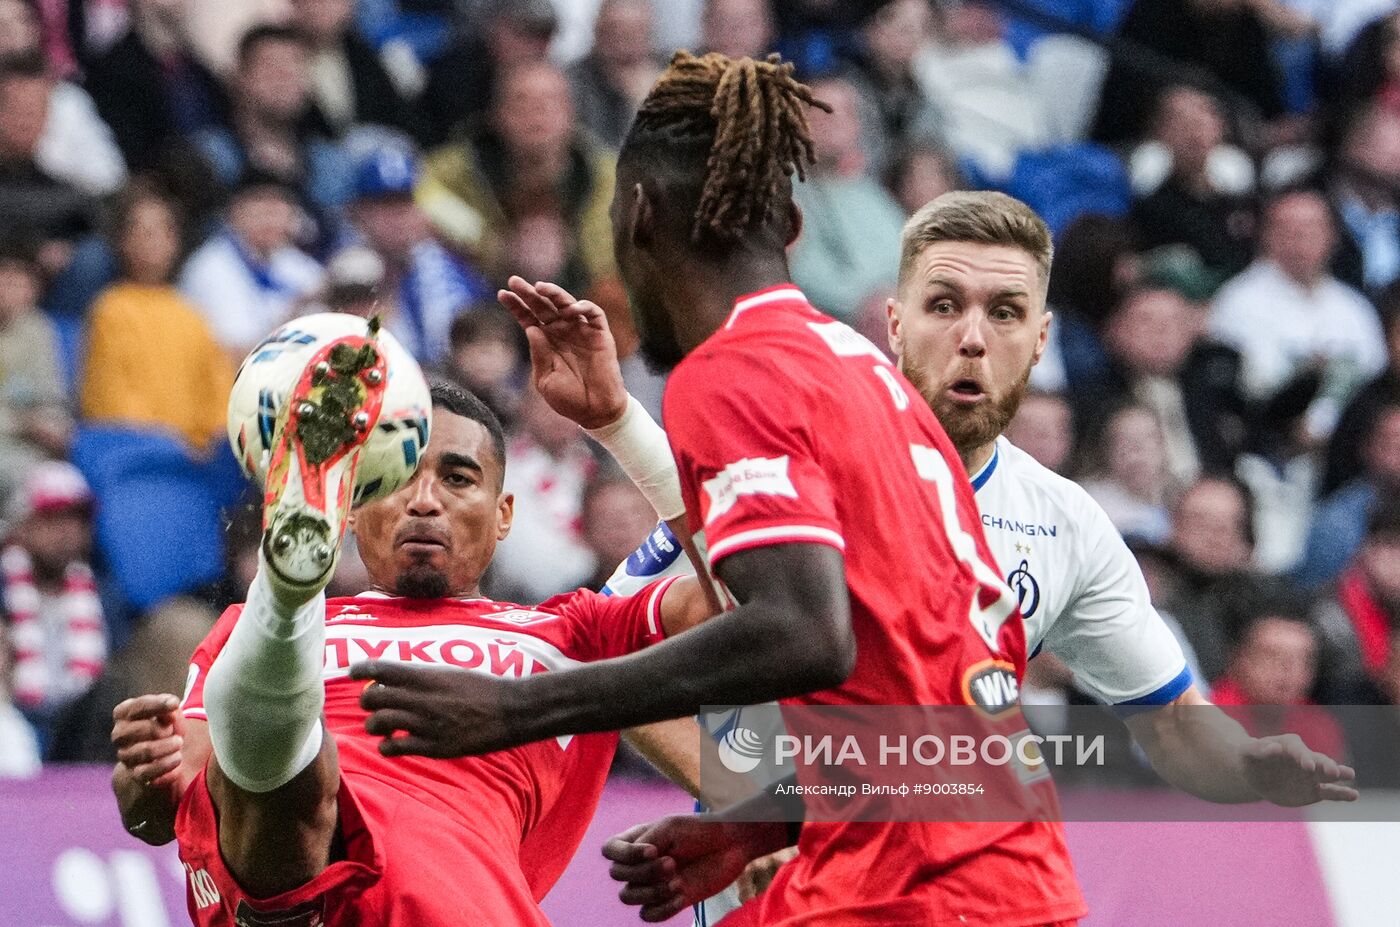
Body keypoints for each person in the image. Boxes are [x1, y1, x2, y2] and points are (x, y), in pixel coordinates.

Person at [357, 52, 1089, 926]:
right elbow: (946, 677)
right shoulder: (869, 373)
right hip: (1002, 867)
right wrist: (762, 821)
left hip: (911, 889)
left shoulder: (734, 372)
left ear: (637, 215)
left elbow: (801, 632)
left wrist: (519, 707)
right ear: (788, 224)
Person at [111, 328, 717, 924]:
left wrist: (620, 423)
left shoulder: (575, 629)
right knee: (298, 761)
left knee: (288, 734)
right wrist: (142, 772)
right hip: (294, 890)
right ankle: (291, 587)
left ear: (504, 514)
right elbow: (158, 812)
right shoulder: (245, 635)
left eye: (457, 479)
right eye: (397, 478)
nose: (423, 501)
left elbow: (748, 581)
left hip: (462, 905)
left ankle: (289, 581)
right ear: (352, 507)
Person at [81, 181, 234, 450]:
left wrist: (214, 438)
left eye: (165, 232)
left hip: (195, 454)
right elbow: (111, 395)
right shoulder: (111, 308)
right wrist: (164, 443)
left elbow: (216, 387)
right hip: (135, 452)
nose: (156, 243)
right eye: (145, 232)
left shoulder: (190, 313)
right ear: (124, 241)